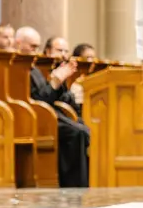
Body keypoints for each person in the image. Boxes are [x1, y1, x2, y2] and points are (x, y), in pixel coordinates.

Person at [13, 26, 91, 187]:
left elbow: (53, 97)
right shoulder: (16, 66)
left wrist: (58, 82)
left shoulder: (33, 68)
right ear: (19, 43)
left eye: (37, 47)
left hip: (48, 111)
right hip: (35, 116)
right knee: (77, 133)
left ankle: (87, 182)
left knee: (85, 130)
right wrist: (55, 81)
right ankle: (73, 185)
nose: (36, 51)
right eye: (33, 47)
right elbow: (39, 98)